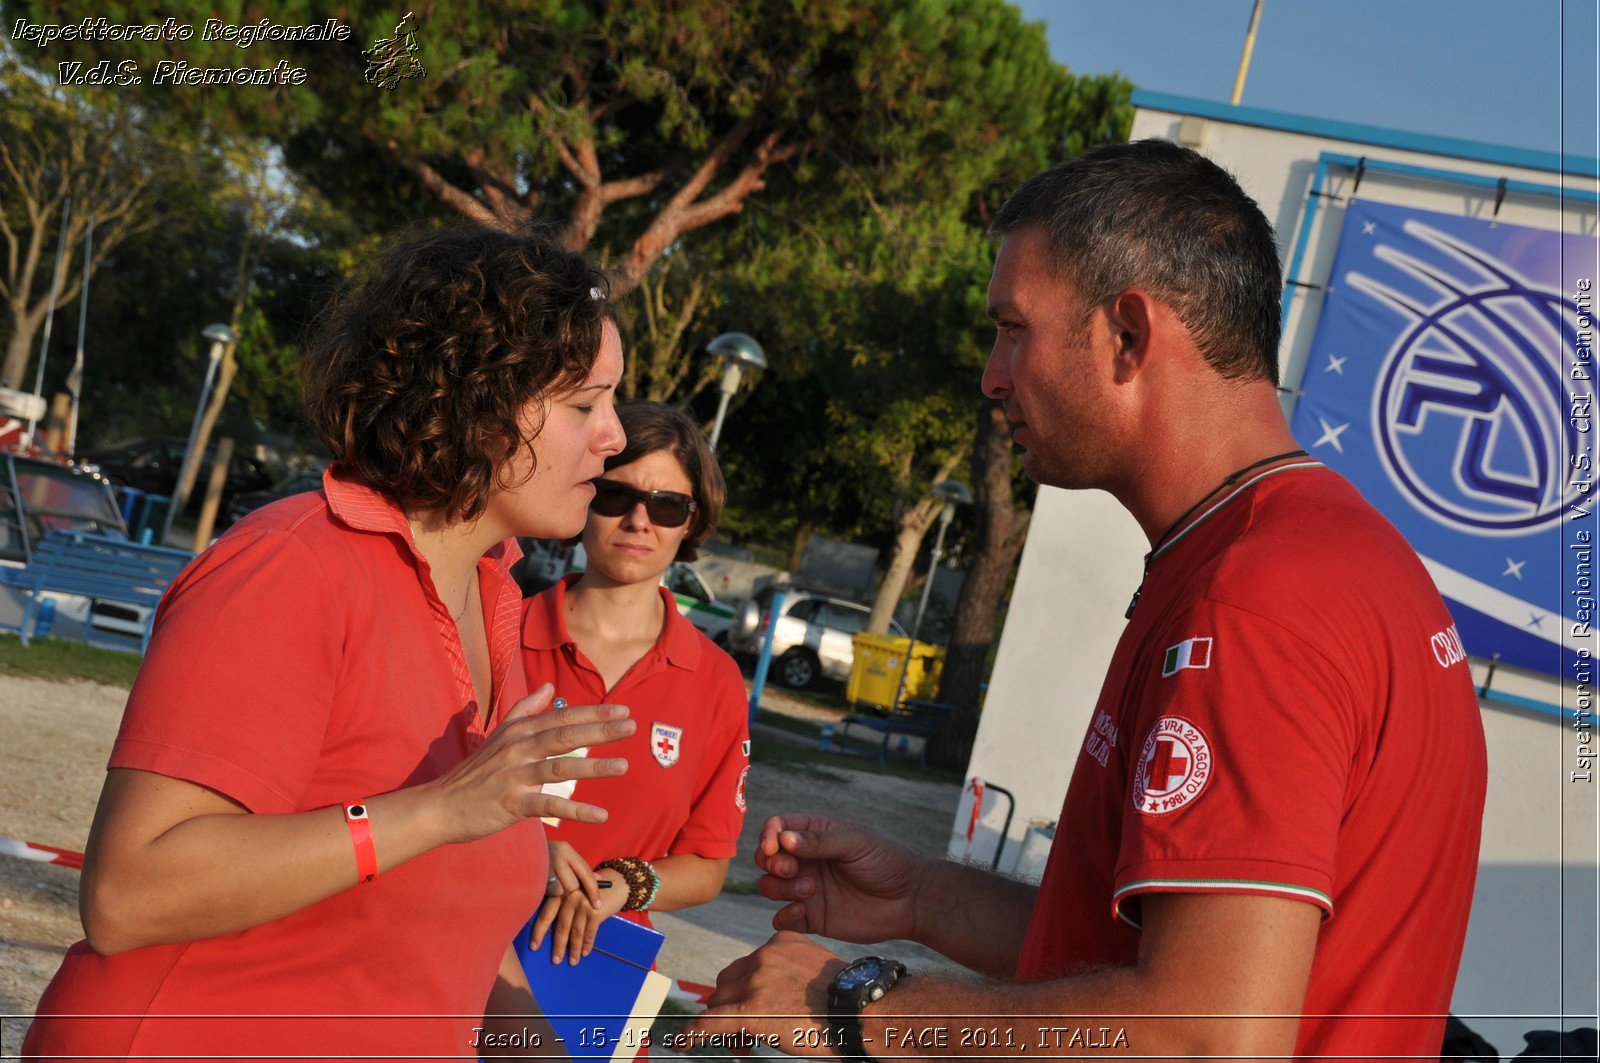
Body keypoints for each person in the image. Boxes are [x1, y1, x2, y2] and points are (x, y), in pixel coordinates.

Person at [684, 140, 1488, 1060]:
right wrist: (923, 898)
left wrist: (854, 1007)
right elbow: (1154, 959)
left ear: (1129, 335)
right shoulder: (1338, 559)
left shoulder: (1256, 601)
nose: (992, 374)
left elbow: (1204, 1035)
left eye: (1013, 327)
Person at [23, 226, 637, 1061]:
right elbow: (130, 891)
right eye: (584, 405)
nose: (615, 438)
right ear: (476, 400)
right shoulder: (294, 566)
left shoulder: (496, 594)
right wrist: (437, 808)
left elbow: (446, 943)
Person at [522, 401, 749, 964]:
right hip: (464, 947)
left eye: (668, 505)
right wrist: (523, 854)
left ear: (691, 521)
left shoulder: (716, 681)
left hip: (599, 976)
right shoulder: (499, 629)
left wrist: (625, 883)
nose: (639, 521)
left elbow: (708, 864)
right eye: (616, 495)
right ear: (582, 492)